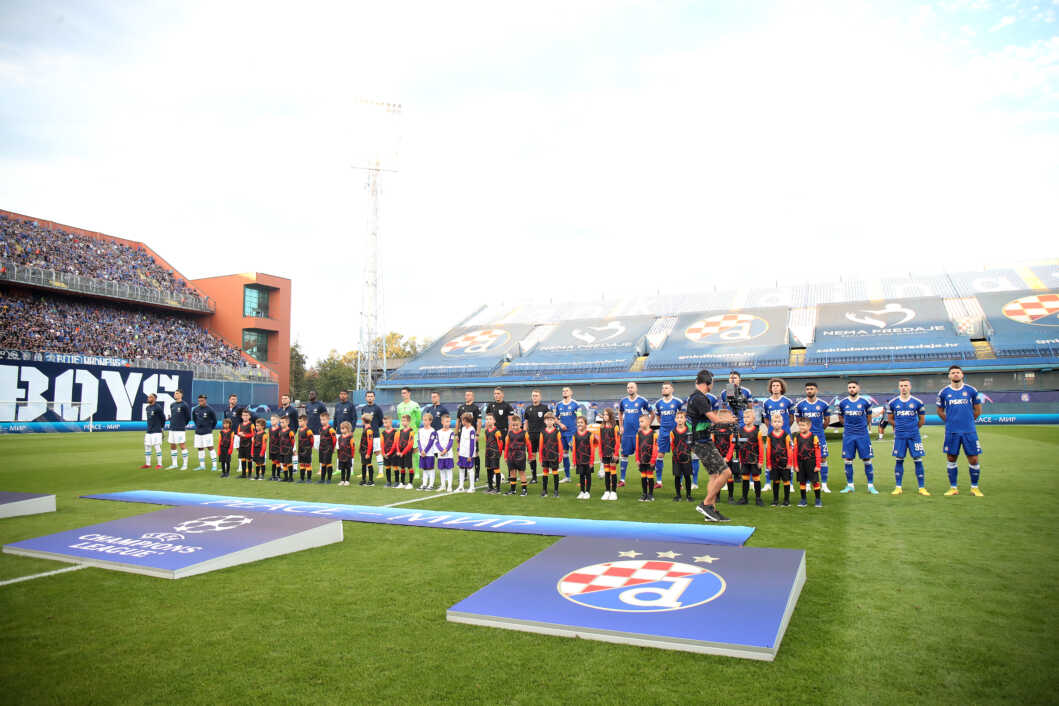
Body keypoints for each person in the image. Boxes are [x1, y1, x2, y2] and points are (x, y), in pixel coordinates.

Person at [687, 370, 737, 522]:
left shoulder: (697, 397)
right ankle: (706, 503)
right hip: (702, 442)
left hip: (700, 441)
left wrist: (723, 418)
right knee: (726, 473)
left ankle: (711, 512)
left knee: (714, 476)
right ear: (706, 383)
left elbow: (708, 420)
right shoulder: (699, 398)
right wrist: (729, 420)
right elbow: (714, 419)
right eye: (712, 382)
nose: (713, 385)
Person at [937, 365, 984, 496]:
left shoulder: (971, 391)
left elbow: (978, 410)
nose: (955, 374)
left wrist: (968, 420)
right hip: (952, 431)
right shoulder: (944, 392)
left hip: (969, 431)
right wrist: (950, 421)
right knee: (951, 457)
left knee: (973, 459)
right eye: (953, 373)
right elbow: (939, 411)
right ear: (949, 376)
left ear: (962, 375)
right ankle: (953, 488)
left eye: (958, 372)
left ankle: (974, 488)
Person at [888, 379, 929, 496]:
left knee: (918, 460)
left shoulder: (917, 402)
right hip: (899, 436)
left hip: (914, 436)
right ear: (898, 387)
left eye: (906, 385)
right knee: (899, 460)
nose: (903, 388)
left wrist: (913, 429)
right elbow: (890, 419)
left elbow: (922, 420)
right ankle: (898, 487)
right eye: (901, 386)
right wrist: (900, 426)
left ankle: (921, 488)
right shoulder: (893, 402)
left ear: (910, 387)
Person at [837, 381, 877, 494]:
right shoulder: (842, 403)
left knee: (867, 459)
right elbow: (840, 418)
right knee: (848, 459)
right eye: (849, 387)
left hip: (862, 435)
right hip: (848, 435)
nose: (851, 389)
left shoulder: (865, 402)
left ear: (858, 388)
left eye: (853, 387)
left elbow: (869, 417)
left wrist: (862, 427)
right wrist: (848, 427)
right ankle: (850, 485)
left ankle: (870, 486)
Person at [794, 381, 832, 493]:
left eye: (811, 389)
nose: (809, 391)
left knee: (823, 459)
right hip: (805, 438)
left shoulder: (824, 404)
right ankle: (806, 484)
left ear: (816, 390)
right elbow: (798, 420)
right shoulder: (800, 405)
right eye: (807, 389)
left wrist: (819, 430)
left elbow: (827, 421)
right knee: (805, 460)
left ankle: (824, 484)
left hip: (819, 436)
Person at [618, 382, 653, 486]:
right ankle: (622, 480)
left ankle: (645, 478)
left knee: (643, 456)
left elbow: (652, 413)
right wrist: (621, 426)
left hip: (639, 434)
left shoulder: (642, 400)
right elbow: (620, 413)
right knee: (624, 455)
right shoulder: (623, 401)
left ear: (636, 388)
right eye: (628, 387)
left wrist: (647, 425)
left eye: (632, 387)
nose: (630, 389)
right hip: (627, 434)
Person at [653, 382, 683, 489]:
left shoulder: (678, 402)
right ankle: (659, 481)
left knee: (679, 455)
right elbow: (658, 417)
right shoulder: (658, 403)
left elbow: (683, 416)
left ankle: (679, 482)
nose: (664, 390)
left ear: (672, 389)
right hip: (663, 433)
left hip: (676, 433)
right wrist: (663, 427)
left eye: (666, 388)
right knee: (660, 455)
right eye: (663, 388)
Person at [735, 408, 765, 505]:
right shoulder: (740, 431)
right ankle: (744, 498)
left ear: (753, 418)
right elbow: (739, 447)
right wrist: (740, 460)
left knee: (756, 478)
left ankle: (758, 498)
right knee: (745, 478)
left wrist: (760, 461)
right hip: (744, 460)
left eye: (748, 417)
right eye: (744, 417)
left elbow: (761, 447)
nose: (745, 419)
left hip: (754, 460)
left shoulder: (758, 431)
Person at [764, 414, 794, 507]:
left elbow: (789, 449)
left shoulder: (786, 435)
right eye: (775, 422)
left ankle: (786, 500)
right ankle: (775, 500)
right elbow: (768, 450)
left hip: (784, 463)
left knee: (786, 481)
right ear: (771, 424)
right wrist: (768, 463)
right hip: (774, 463)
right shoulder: (769, 436)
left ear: (782, 423)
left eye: (779, 422)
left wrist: (789, 462)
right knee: (775, 481)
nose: (777, 424)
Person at [793, 417, 823, 507]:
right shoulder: (796, 437)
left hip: (811, 463)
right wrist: (795, 465)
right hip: (801, 463)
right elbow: (795, 452)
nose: (801, 427)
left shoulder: (814, 437)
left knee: (815, 482)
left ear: (809, 426)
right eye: (800, 425)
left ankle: (818, 500)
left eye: (803, 425)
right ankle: (803, 500)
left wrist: (818, 465)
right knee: (802, 482)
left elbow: (818, 452)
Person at [555, 387, 581, 482]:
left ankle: (583, 475)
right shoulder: (559, 405)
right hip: (562, 434)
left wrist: (579, 430)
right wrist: (560, 424)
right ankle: (567, 477)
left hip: (573, 433)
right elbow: (555, 418)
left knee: (577, 453)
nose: (564, 392)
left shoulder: (576, 404)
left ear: (571, 392)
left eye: (566, 391)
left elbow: (580, 417)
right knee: (565, 454)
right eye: (563, 391)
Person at [523, 389, 549, 484]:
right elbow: (525, 422)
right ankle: (534, 477)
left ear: (540, 397)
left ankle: (545, 475)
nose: (535, 397)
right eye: (533, 395)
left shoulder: (545, 408)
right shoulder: (528, 409)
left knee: (543, 455)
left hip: (542, 436)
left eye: (536, 395)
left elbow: (549, 421)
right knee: (532, 456)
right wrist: (525, 433)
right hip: (531, 435)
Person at [456, 391, 482, 481]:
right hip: (462, 434)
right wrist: (456, 433)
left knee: (475, 453)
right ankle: (465, 475)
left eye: (469, 395)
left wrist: (477, 433)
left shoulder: (475, 408)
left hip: (472, 434)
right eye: (466, 395)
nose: (466, 396)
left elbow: (479, 422)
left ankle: (477, 474)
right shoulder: (461, 408)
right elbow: (458, 421)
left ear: (473, 396)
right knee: (463, 453)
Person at [504, 415, 531, 496]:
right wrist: (505, 456)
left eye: (516, 425)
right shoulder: (509, 433)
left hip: (521, 456)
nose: (515, 427)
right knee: (512, 472)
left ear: (520, 424)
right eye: (513, 425)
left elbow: (529, 445)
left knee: (521, 472)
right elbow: (506, 446)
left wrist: (530, 456)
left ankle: (524, 490)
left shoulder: (524, 433)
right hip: (511, 456)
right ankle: (513, 490)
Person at [538, 413, 564, 498]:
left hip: (554, 456)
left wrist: (560, 456)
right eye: (547, 420)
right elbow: (540, 445)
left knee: (555, 473)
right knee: (545, 473)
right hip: (545, 456)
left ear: (554, 421)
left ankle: (556, 491)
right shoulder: (542, 432)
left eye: (551, 420)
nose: (549, 421)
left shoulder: (557, 432)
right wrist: (540, 457)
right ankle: (544, 490)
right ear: (544, 421)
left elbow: (560, 445)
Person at [670, 410, 694, 502]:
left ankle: (688, 495)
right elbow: (672, 445)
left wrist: (687, 453)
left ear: (685, 420)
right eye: (678, 418)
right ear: (675, 420)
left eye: (681, 418)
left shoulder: (689, 431)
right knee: (677, 476)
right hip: (676, 458)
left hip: (687, 457)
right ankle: (678, 495)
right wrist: (676, 453)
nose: (679, 419)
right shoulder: (673, 432)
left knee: (687, 476)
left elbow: (691, 444)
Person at [597, 408, 621, 500]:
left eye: (607, 414)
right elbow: (600, 442)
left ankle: (614, 492)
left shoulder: (615, 427)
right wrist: (600, 454)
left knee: (613, 472)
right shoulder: (601, 427)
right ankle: (607, 491)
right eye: (604, 414)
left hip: (612, 453)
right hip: (604, 453)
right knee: (606, 473)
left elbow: (618, 441)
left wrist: (615, 453)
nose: (605, 416)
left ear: (610, 416)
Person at [571, 416, 597, 500]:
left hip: (588, 460)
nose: (580, 424)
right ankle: (582, 491)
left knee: (588, 476)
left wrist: (591, 461)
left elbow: (592, 449)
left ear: (586, 424)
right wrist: (574, 461)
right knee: (581, 476)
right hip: (579, 460)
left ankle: (587, 492)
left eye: (581, 422)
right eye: (578, 422)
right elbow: (574, 448)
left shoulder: (590, 434)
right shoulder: (575, 435)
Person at [191, 393, 218, 471]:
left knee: (210, 447)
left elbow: (215, 421)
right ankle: (202, 466)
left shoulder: (210, 409)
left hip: (207, 432)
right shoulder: (195, 409)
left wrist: (210, 428)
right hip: (198, 432)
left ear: (205, 400)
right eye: (199, 401)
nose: (201, 402)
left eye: (202, 400)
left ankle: (214, 466)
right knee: (200, 448)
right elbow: (195, 419)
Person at [634, 414, 658, 502]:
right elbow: (637, 447)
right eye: (639, 422)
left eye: (642, 421)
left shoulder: (653, 434)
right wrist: (637, 459)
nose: (640, 423)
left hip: (650, 460)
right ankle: (644, 494)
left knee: (650, 476)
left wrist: (653, 460)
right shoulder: (638, 434)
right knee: (643, 476)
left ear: (648, 422)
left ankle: (650, 494)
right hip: (641, 459)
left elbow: (655, 448)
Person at [360, 390, 385, 470]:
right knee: (365, 453)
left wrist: (375, 427)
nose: (370, 398)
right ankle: (366, 471)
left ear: (374, 397)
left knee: (377, 452)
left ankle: (380, 472)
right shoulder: (363, 408)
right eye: (368, 396)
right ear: (366, 398)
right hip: (365, 435)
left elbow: (381, 421)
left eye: (371, 396)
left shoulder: (377, 408)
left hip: (375, 435)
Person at [166, 389, 191, 470]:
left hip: (180, 429)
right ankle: (174, 464)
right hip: (172, 428)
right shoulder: (172, 404)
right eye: (175, 393)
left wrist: (183, 424)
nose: (175, 395)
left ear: (181, 395)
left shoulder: (184, 405)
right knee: (172, 445)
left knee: (182, 445)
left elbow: (188, 417)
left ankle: (185, 465)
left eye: (177, 393)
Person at [141, 393, 165, 469]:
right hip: (149, 431)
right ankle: (148, 464)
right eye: (148, 397)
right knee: (147, 447)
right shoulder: (147, 408)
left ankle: (160, 464)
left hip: (156, 431)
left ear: (154, 399)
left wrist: (161, 428)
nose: (148, 398)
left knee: (157, 447)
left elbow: (163, 418)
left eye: (150, 397)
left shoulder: (158, 407)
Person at [482, 414, 505, 495]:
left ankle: (498, 489)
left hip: (495, 453)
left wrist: (499, 453)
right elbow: (486, 441)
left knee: (496, 469)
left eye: (490, 419)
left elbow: (500, 443)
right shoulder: (486, 431)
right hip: (488, 453)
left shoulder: (497, 432)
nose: (488, 421)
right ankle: (490, 487)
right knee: (489, 469)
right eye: (487, 419)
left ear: (494, 421)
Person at [304, 391, 327, 464]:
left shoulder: (321, 405)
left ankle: (322, 467)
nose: (310, 395)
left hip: (318, 431)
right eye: (309, 394)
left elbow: (325, 415)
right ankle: (308, 466)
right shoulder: (307, 405)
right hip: (309, 431)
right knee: (307, 450)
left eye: (312, 394)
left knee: (320, 450)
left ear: (316, 395)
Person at [417, 412, 438, 491]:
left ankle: (431, 485)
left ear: (430, 421)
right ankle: (424, 484)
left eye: (426, 420)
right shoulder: (420, 430)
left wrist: (425, 451)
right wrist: (421, 450)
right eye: (424, 420)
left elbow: (431, 442)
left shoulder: (432, 431)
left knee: (430, 468)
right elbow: (418, 441)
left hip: (429, 453)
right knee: (424, 469)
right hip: (422, 453)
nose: (424, 422)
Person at [457, 412, 477, 493]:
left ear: (466, 420)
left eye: (462, 420)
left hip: (468, 453)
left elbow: (472, 443)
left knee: (470, 469)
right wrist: (459, 451)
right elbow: (461, 441)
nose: (461, 422)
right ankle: (461, 486)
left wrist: (470, 455)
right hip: (462, 452)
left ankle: (472, 487)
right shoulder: (463, 428)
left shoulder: (472, 430)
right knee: (461, 468)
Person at [437, 412, 456, 492]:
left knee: (449, 470)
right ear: (442, 422)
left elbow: (450, 443)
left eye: (449, 421)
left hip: (448, 455)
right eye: (446, 421)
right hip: (441, 455)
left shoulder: (451, 432)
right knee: (442, 471)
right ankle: (443, 485)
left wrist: (445, 450)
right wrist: (441, 451)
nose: (448, 423)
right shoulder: (438, 432)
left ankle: (449, 486)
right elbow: (436, 442)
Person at [278, 394, 299, 466]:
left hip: (289, 434)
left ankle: (295, 467)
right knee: (281, 450)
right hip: (281, 434)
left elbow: (296, 423)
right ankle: (282, 466)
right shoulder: (279, 410)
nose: (283, 399)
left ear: (289, 400)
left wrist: (293, 432)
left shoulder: (293, 410)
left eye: (285, 398)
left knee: (293, 450)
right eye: (282, 398)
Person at [396, 415, 416, 489]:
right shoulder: (399, 431)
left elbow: (410, 444)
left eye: (405, 421)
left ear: (409, 422)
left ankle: (410, 483)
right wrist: (398, 451)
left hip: (407, 452)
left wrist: (403, 453)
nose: (403, 422)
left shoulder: (411, 431)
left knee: (409, 467)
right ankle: (402, 482)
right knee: (402, 467)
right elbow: (397, 442)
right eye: (402, 421)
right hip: (400, 452)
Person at [317, 412, 337, 484]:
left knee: (328, 463)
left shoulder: (331, 429)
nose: (322, 421)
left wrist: (333, 448)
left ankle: (328, 479)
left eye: (324, 420)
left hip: (328, 448)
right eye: (321, 420)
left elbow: (334, 439)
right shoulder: (321, 429)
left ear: (328, 419)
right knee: (322, 463)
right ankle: (322, 479)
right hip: (321, 448)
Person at [358, 413, 375, 486]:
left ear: (364, 420)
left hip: (367, 450)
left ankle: (371, 481)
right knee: (363, 464)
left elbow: (370, 442)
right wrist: (360, 447)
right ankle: (364, 480)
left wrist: (368, 453)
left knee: (369, 463)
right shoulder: (365, 428)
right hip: (363, 449)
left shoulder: (369, 430)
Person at [236, 410, 254, 479]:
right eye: (244, 415)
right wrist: (239, 434)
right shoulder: (240, 425)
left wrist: (245, 435)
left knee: (249, 459)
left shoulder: (251, 425)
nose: (245, 417)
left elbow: (253, 434)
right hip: (242, 444)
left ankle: (249, 474)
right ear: (241, 416)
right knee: (243, 458)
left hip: (249, 444)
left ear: (249, 416)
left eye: (246, 415)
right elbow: (238, 432)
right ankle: (243, 474)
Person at [380, 416, 398, 487]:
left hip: (393, 453)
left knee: (395, 467)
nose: (385, 424)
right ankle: (388, 481)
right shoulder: (383, 433)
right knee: (387, 467)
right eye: (384, 423)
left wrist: (390, 452)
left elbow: (395, 443)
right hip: (385, 453)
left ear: (390, 423)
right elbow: (381, 443)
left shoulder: (395, 432)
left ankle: (396, 482)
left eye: (386, 423)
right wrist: (383, 453)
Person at [296, 415, 314, 483]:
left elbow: (312, 441)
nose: (299, 423)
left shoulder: (308, 431)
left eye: (301, 421)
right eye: (299, 421)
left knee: (307, 464)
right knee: (301, 464)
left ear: (306, 421)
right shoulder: (299, 430)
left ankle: (309, 479)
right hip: (300, 450)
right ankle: (302, 478)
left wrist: (308, 448)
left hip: (307, 450)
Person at [277, 416, 295, 482]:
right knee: (284, 463)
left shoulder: (290, 432)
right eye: (280, 422)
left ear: (287, 422)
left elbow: (293, 441)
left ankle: (291, 477)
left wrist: (290, 448)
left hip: (288, 450)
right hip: (282, 450)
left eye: (283, 422)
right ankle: (286, 477)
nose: (281, 424)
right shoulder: (280, 431)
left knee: (289, 463)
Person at [337, 421, 355, 486]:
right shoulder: (339, 437)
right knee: (342, 469)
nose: (341, 430)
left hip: (348, 455)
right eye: (341, 428)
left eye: (343, 428)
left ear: (347, 429)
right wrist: (338, 455)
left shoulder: (350, 437)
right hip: (341, 456)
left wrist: (352, 455)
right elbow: (338, 447)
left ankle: (347, 480)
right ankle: (342, 480)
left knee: (348, 468)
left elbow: (353, 447)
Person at [268, 414, 283, 481]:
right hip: (272, 448)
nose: (272, 421)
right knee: (273, 462)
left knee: (278, 462)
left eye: (273, 419)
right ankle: (273, 475)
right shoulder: (270, 429)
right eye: (271, 420)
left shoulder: (280, 429)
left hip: (278, 448)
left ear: (278, 420)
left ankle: (278, 476)